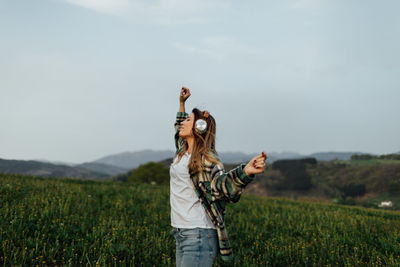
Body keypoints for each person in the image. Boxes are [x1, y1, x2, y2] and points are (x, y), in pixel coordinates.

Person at [170, 86, 267, 267]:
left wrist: (245, 172)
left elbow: (222, 188)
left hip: (198, 235)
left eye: (188, 120)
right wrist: (182, 104)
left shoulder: (207, 160)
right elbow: (178, 130)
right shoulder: (181, 152)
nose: (182, 123)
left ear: (199, 128)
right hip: (181, 232)